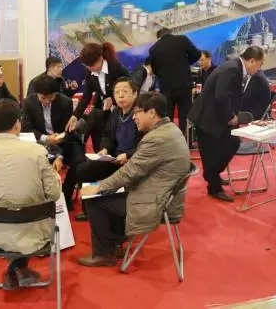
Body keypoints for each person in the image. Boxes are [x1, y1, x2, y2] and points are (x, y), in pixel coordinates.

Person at [78, 92, 190, 267]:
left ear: (151, 113)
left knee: (93, 198)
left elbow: (129, 172)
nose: (134, 117)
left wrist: (99, 187)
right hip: (166, 196)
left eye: (137, 112)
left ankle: (104, 253)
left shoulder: (156, 138)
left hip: (157, 202)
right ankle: (115, 243)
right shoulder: (170, 130)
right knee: (109, 191)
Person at [0, 99, 61, 289]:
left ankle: (15, 269)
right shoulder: (37, 152)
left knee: (12, 209)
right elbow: (54, 194)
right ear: (18, 123)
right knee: (25, 208)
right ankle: (18, 268)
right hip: (33, 232)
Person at [188, 46, 265, 202]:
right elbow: (221, 96)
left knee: (232, 143)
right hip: (208, 118)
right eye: (259, 64)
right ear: (252, 61)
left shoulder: (236, 68)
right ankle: (214, 186)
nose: (259, 68)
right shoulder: (232, 69)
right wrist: (231, 117)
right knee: (212, 153)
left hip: (218, 117)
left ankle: (212, 175)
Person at [74, 77, 141, 220]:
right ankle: (89, 211)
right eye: (117, 92)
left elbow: (146, 145)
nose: (120, 96)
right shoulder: (116, 112)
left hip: (133, 162)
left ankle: (114, 212)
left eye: (124, 91)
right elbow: (107, 135)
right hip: (115, 159)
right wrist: (105, 149)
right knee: (83, 169)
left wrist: (128, 155)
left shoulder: (140, 114)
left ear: (135, 93)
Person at [21, 75, 85, 209]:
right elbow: (26, 129)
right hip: (40, 142)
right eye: (43, 98)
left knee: (79, 161)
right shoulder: (28, 103)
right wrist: (46, 138)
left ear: (56, 94)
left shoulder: (65, 102)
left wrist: (60, 156)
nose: (46, 101)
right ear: (37, 94)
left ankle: (66, 195)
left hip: (64, 141)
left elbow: (68, 131)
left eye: (50, 98)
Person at [65, 42, 130, 151]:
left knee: (98, 119)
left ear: (100, 58)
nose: (89, 68)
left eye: (92, 65)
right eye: (87, 66)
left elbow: (129, 88)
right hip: (102, 109)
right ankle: (82, 140)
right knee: (97, 138)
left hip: (118, 111)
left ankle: (82, 136)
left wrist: (113, 98)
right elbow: (86, 96)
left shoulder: (116, 68)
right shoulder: (89, 73)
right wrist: (75, 116)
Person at [148, 27, 201, 136]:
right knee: (185, 116)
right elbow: (197, 54)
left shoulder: (154, 49)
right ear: (171, 33)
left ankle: (170, 140)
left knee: (167, 117)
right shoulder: (182, 39)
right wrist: (186, 63)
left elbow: (155, 70)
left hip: (166, 87)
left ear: (158, 38)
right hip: (184, 84)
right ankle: (185, 139)